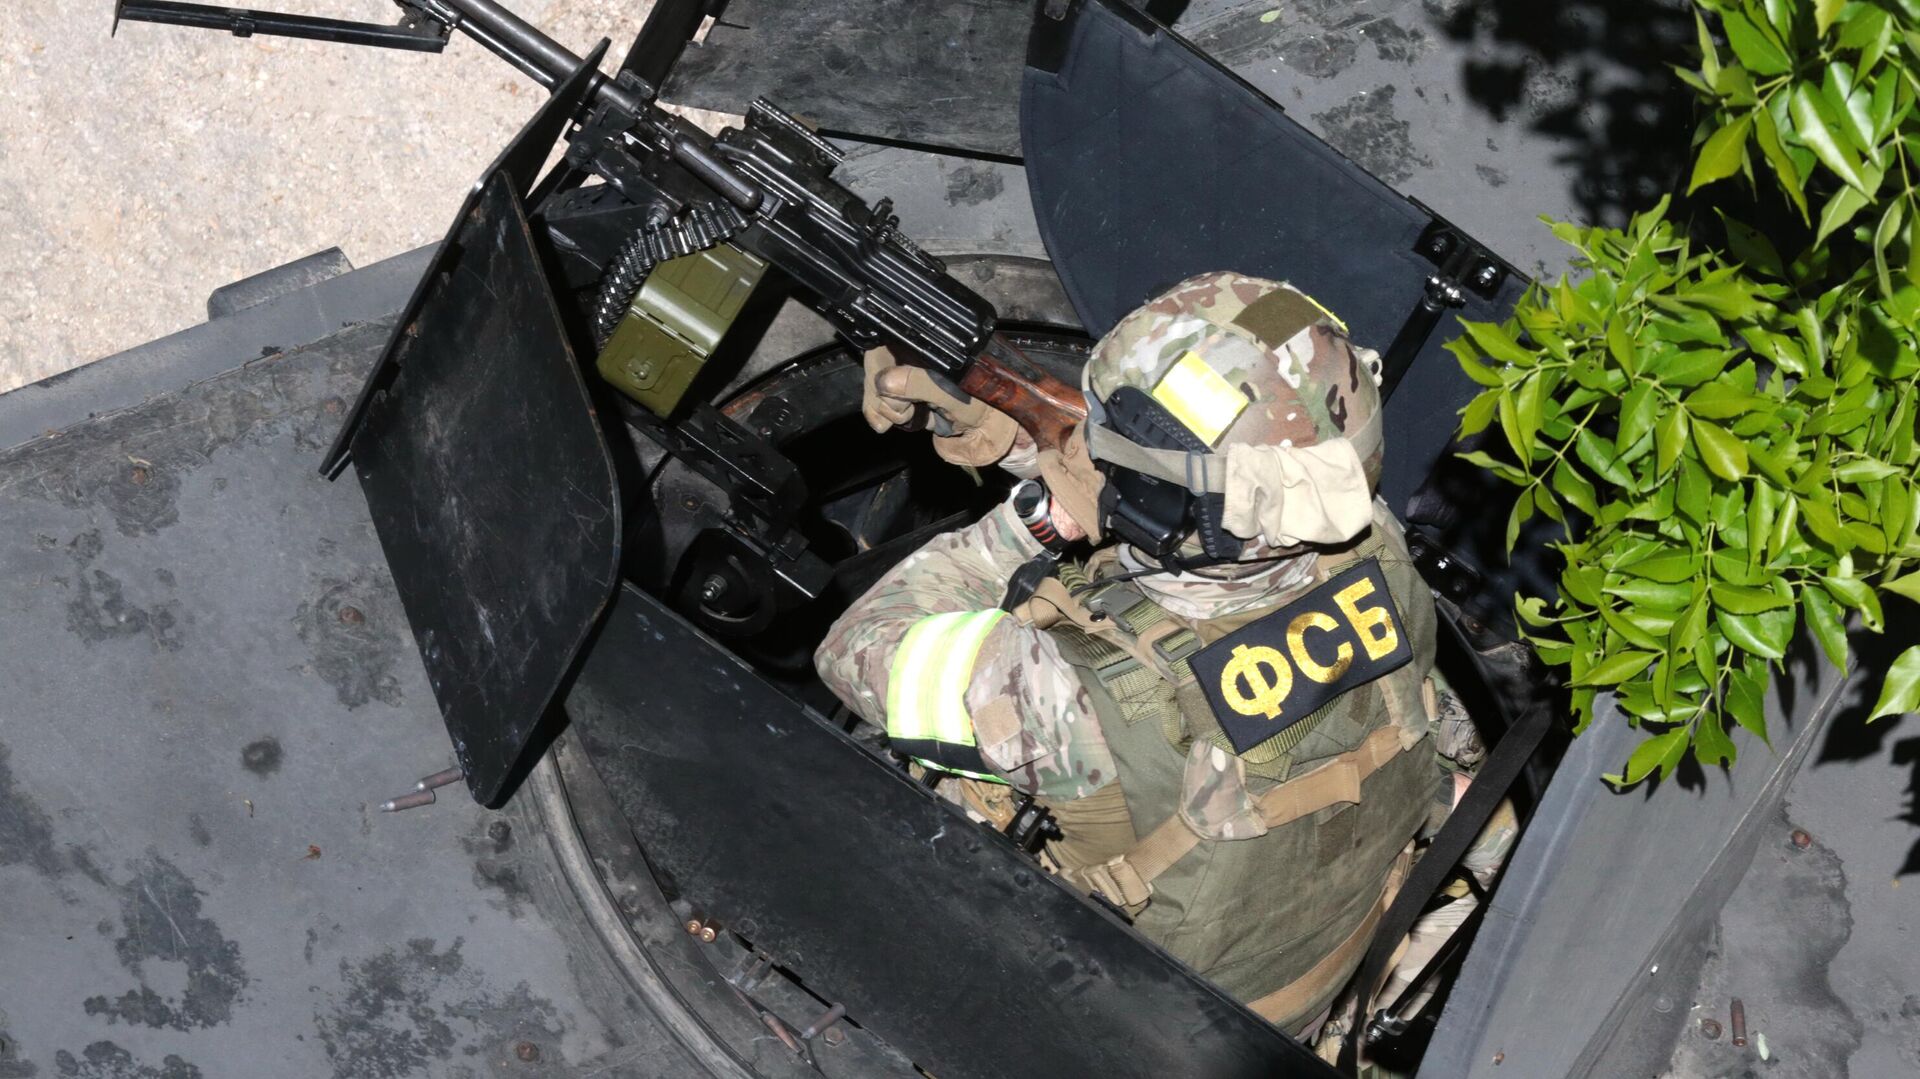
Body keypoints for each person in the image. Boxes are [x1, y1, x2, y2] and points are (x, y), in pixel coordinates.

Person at [815, 271, 1441, 1037]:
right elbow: (1230, 503)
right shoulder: (1379, 548)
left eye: (1104, 438)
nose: (1087, 443)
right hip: (1307, 986)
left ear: (1161, 508)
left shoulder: (1057, 688)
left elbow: (853, 646)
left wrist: (1033, 520)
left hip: (1129, 1039)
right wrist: (1024, 445)